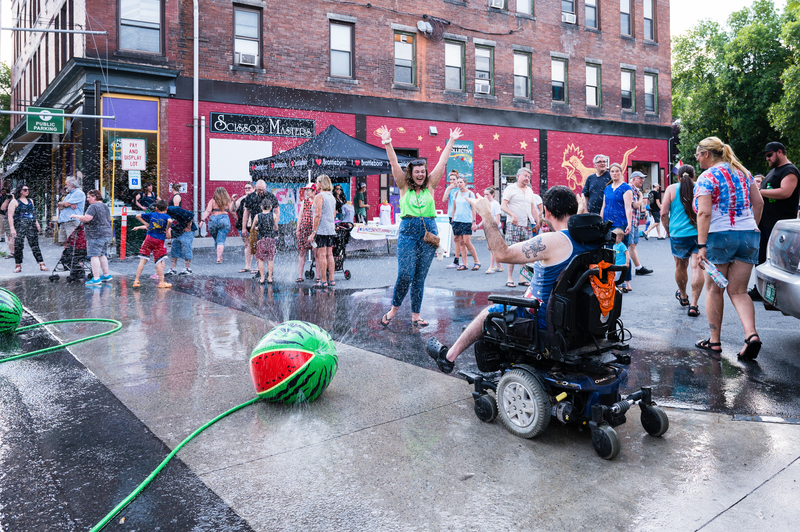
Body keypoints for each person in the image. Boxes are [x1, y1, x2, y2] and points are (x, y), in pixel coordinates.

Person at [428, 186, 597, 373]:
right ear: (573, 210)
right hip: (577, 316)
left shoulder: (552, 241)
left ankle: (448, 357)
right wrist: (581, 210)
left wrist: (486, 215)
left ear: (546, 212)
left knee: (489, 311)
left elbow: (501, 254)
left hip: (542, 318)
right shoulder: (589, 239)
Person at [379, 124, 463, 327]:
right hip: (407, 231)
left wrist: (451, 141)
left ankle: (416, 315)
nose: (420, 174)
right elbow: (393, 162)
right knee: (405, 274)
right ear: (411, 173)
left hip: (428, 232)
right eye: (417, 172)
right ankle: (394, 309)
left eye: (423, 171)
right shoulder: (403, 185)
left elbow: (442, 163)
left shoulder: (431, 185)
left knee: (419, 277)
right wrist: (388, 142)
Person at [693, 137, 763, 359]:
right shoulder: (743, 172)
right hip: (748, 235)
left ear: (706, 154)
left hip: (719, 236)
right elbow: (758, 203)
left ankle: (714, 341)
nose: (697, 159)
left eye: (697, 154)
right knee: (739, 291)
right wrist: (751, 227)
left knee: (714, 290)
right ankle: (751, 335)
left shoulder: (707, 177)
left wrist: (701, 246)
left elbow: (704, 213)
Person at [750, 142, 799, 300]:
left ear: (780, 152)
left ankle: (780, 294)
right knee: (761, 258)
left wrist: (759, 191)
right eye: (766, 155)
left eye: (769, 154)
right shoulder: (774, 171)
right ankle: (760, 289)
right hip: (766, 223)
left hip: (780, 225)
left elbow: (786, 192)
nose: (767, 158)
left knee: (778, 261)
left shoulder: (789, 170)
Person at [661, 164, 704, 317]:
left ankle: (684, 296)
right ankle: (694, 304)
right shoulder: (701, 187)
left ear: (678, 176)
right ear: (694, 176)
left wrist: (668, 230)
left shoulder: (672, 189)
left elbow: (664, 213)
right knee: (697, 268)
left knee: (680, 266)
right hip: (699, 233)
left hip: (678, 233)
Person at [501, 167, 540, 287]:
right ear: (518, 176)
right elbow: (503, 206)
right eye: (525, 176)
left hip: (527, 224)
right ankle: (509, 278)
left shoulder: (529, 191)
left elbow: (533, 207)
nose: (527, 178)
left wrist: (537, 221)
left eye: (528, 177)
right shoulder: (510, 189)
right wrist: (512, 215)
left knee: (525, 252)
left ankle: (523, 278)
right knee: (512, 251)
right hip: (513, 225)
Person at [600, 163, 634, 289]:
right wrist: (601, 221)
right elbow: (604, 206)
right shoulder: (607, 188)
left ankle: (627, 281)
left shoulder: (626, 188)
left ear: (621, 172)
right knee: (609, 252)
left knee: (622, 252)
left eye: (616, 171)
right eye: (612, 171)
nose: (614, 173)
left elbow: (628, 207)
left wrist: (629, 223)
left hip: (620, 223)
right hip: (608, 223)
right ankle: (612, 279)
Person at [71, 190, 113, 287]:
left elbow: (87, 218)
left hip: (95, 235)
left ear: (94, 197)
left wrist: (75, 216)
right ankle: (106, 275)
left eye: (89, 197)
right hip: (106, 234)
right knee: (102, 255)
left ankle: (96, 278)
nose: (87, 199)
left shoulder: (93, 207)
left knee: (94, 256)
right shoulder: (104, 206)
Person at [131, 199, 173, 289]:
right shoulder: (166, 216)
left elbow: (138, 216)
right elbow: (170, 221)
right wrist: (167, 228)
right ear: (166, 208)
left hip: (148, 238)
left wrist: (146, 224)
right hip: (159, 240)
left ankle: (136, 280)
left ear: (156, 208)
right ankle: (161, 282)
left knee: (142, 260)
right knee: (158, 261)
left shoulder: (152, 214)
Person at [242, 180, 279, 275]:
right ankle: (260, 271)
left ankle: (270, 273)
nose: (261, 192)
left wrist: (275, 224)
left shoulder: (270, 196)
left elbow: (277, 211)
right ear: (255, 188)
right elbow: (246, 213)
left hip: (268, 229)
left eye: (262, 190)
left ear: (266, 187)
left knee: (269, 252)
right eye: (259, 190)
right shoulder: (250, 197)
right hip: (256, 228)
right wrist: (244, 227)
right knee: (256, 251)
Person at [8, 185, 47, 273]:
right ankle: (18, 265)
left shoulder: (30, 201)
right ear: (20, 191)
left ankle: (41, 263)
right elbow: (10, 216)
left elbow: (33, 213)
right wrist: (12, 228)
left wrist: (36, 223)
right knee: (18, 245)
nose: (27, 191)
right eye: (25, 189)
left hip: (31, 225)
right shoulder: (14, 201)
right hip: (19, 225)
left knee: (35, 245)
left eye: (28, 189)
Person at [309, 174, 337, 288]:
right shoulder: (332, 197)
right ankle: (332, 279)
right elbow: (334, 214)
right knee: (329, 254)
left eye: (317, 182)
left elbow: (318, 215)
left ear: (321, 183)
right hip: (330, 228)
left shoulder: (319, 196)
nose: (316, 184)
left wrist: (313, 231)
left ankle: (323, 280)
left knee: (321, 255)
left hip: (321, 229)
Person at [626, 171, 653, 278]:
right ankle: (634, 268)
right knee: (630, 245)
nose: (642, 180)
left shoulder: (635, 190)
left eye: (643, 178)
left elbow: (640, 208)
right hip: (631, 221)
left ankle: (637, 267)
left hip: (634, 221)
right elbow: (636, 205)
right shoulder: (631, 189)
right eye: (640, 178)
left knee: (633, 245)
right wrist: (641, 197)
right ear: (633, 179)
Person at [451, 176, 480, 270]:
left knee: (467, 242)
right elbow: (454, 208)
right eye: (458, 182)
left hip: (467, 221)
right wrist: (453, 218)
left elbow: (473, 209)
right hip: (457, 221)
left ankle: (477, 262)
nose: (459, 184)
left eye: (461, 182)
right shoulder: (456, 194)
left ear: (465, 183)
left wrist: (474, 222)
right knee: (461, 242)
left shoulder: (471, 194)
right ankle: (464, 264)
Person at [202, 187, 232, 264]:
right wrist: (237, 219)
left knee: (217, 239)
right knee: (220, 240)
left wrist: (202, 220)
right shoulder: (228, 201)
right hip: (224, 219)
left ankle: (219, 256)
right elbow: (232, 211)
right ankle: (219, 257)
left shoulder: (212, 201)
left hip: (213, 220)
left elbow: (208, 211)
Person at [166, 204, 196, 275]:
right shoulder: (160, 214)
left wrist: (188, 227)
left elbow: (190, 215)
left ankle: (188, 268)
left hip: (187, 231)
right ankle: (173, 269)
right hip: (177, 231)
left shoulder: (174, 210)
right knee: (174, 249)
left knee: (186, 247)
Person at [479, 186, 503, 274]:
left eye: (487, 195)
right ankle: (499, 265)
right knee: (491, 247)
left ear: (492, 195)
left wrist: (495, 229)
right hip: (488, 227)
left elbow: (497, 217)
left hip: (494, 228)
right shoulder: (485, 204)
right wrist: (479, 225)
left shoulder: (495, 204)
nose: (485, 196)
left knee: (492, 247)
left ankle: (491, 267)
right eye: (484, 194)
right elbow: (485, 217)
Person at [256, 197, 279, 284]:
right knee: (270, 259)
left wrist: (257, 227)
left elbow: (254, 226)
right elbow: (276, 228)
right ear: (271, 208)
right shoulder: (273, 215)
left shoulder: (258, 216)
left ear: (261, 207)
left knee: (261, 259)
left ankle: (262, 278)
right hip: (271, 239)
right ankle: (270, 278)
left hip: (261, 239)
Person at [57, 176, 86, 246]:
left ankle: (72, 256)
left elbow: (65, 204)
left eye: (66, 185)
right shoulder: (68, 195)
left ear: (72, 185)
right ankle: (66, 256)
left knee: (72, 242)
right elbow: (59, 206)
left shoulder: (79, 193)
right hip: (64, 221)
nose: (65, 187)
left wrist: (66, 204)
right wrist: (68, 204)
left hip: (72, 221)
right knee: (64, 241)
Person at [232, 183, 254, 271]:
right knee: (247, 245)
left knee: (254, 245)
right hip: (243, 225)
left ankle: (257, 267)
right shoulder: (242, 199)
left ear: (254, 188)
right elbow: (233, 210)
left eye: (249, 188)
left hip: (253, 225)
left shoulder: (256, 198)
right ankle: (248, 266)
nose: (247, 189)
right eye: (246, 188)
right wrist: (233, 201)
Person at [296, 183, 316, 283]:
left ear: (314, 191)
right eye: (306, 190)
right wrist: (297, 229)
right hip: (304, 230)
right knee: (302, 252)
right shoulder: (305, 201)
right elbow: (300, 215)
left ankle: (319, 277)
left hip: (314, 231)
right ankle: (300, 276)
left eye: (309, 190)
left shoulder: (318, 201)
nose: (306, 192)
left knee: (316, 254)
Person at [443, 170, 463, 269]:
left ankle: (462, 260)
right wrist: (449, 189)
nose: (452, 181)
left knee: (462, 239)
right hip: (452, 215)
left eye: (454, 179)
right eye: (450, 180)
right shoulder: (449, 188)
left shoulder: (460, 188)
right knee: (456, 238)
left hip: (461, 216)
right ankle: (457, 260)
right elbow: (443, 200)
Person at [1, 187, 14, 255]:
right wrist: (8, 199)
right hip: (7, 217)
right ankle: (12, 252)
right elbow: (2, 207)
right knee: (9, 235)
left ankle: (17, 252)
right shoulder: (8, 199)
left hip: (17, 219)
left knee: (18, 237)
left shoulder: (20, 200)